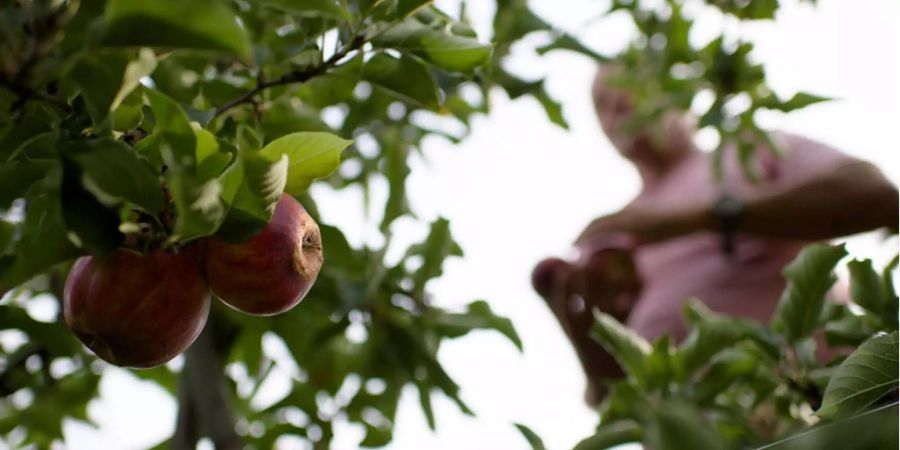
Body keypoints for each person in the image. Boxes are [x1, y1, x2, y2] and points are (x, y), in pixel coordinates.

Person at [538, 65, 900, 406]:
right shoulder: (609, 234)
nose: (617, 104)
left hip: (822, 404)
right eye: (601, 103)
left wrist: (701, 218)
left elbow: (876, 196)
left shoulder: (749, 149)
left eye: (630, 86)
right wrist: (582, 334)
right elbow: (607, 394)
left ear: (679, 95)